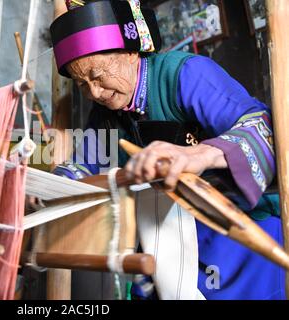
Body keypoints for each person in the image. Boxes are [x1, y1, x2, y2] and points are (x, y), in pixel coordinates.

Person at [49, 0, 283, 300]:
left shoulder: (185, 75)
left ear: (130, 52)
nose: (95, 92)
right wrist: (48, 186)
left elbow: (261, 125)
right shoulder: (105, 115)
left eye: (97, 75)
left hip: (240, 233)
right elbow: (83, 167)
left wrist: (200, 154)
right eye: (82, 84)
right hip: (169, 242)